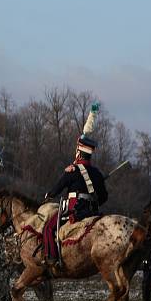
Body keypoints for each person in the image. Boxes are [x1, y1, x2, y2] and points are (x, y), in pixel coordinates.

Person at [44, 103, 108, 266]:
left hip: (73, 211)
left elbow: (57, 189)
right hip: (92, 212)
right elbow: (103, 198)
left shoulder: (72, 170)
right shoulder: (97, 173)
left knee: (48, 228)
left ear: (79, 152)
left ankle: (52, 258)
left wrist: (49, 195)